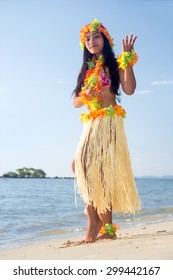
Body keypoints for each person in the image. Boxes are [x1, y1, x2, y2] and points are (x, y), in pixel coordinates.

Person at [72, 19, 141, 243]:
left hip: (108, 122)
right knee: (82, 167)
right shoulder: (86, 69)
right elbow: (75, 102)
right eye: (88, 39)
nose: (92, 41)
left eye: (97, 37)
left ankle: (97, 226)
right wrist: (86, 95)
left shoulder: (114, 63)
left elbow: (129, 90)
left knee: (91, 169)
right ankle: (105, 226)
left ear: (106, 40)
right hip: (91, 123)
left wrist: (128, 58)